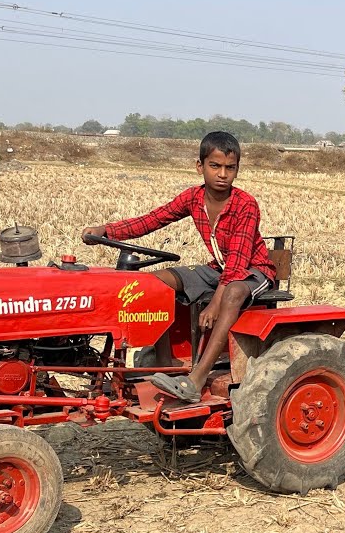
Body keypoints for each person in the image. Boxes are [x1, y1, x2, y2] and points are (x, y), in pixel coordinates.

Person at [82, 131, 277, 401]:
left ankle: (196, 380)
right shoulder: (193, 198)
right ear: (200, 166)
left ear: (237, 170)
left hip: (254, 272)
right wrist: (107, 231)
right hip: (219, 270)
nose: (222, 174)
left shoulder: (246, 205)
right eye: (215, 166)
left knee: (232, 292)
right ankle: (166, 364)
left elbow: (237, 265)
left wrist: (214, 304)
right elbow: (152, 220)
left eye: (229, 168)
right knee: (152, 284)